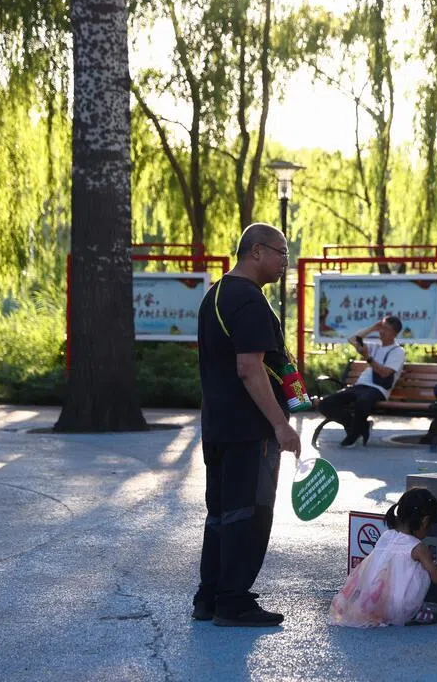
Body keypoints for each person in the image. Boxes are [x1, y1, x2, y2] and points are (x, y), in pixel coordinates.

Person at [192, 223, 302, 628]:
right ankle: (234, 601)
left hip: (217, 426)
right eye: (281, 252)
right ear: (256, 251)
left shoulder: (215, 295)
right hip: (249, 431)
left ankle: (210, 596)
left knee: (220, 513)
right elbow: (249, 368)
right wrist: (281, 425)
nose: (284, 262)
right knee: (249, 514)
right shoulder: (251, 302)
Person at [329, 488, 437, 627]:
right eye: (429, 527)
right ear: (425, 521)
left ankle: (391, 611)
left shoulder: (386, 536)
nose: (428, 532)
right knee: (427, 566)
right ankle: (413, 611)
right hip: (400, 607)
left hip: (376, 602)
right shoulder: (418, 547)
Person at [318, 315, 405, 446]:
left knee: (362, 402)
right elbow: (352, 339)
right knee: (326, 403)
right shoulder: (375, 346)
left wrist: (368, 357)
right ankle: (358, 426)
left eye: (386, 329)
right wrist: (372, 328)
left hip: (378, 389)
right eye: (381, 328)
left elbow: (384, 372)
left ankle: (353, 434)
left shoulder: (398, 351)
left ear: (394, 332)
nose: (381, 331)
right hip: (360, 386)